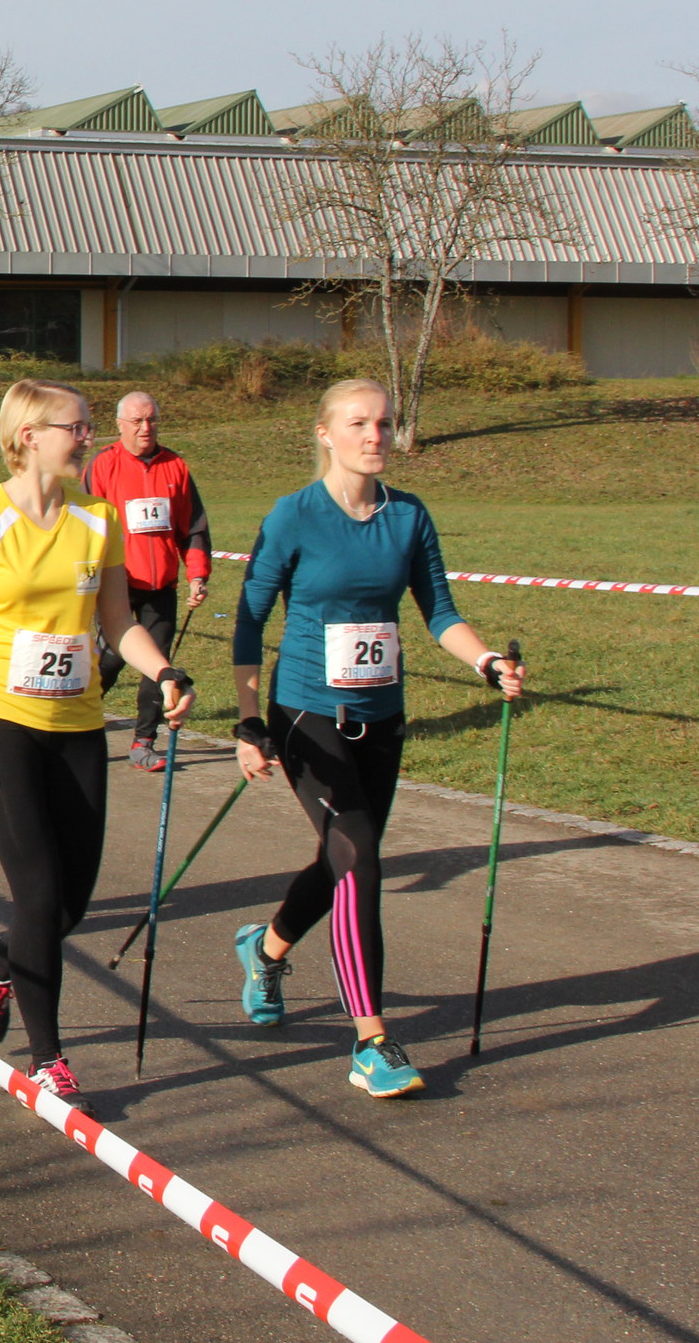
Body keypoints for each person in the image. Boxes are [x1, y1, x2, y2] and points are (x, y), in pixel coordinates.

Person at [228, 378, 529, 1100]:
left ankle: (265, 949)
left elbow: (439, 612)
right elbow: (249, 620)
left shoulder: (409, 515)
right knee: (359, 858)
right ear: (325, 434)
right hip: (306, 715)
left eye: (385, 423)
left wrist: (487, 662)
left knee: (342, 860)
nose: (375, 436)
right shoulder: (294, 515)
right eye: (359, 423)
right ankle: (370, 1040)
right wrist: (248, 721)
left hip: (382, 716)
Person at [0, 379, 193, 1110]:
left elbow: (117, 623)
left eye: (89, 425)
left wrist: (163, 671)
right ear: (29, 436)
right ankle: (49, 1061)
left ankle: (0, 958)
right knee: (38, 891)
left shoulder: (97, 518)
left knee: (70, 900)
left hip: (76, 723)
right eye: (77, 426)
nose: (88, 437)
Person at [84, 391, 214, 769]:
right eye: (137, 421)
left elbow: (193, 527)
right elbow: (86, 526)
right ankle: (76, 721)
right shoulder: (103, 465)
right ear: (120, 425)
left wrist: (197, 575)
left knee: (159, 666)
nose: (146, 428)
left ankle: (144, 742)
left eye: (152, 420)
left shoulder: (176, 466)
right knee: (110, 661)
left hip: (162, 587)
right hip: (118, 585)